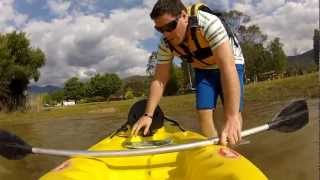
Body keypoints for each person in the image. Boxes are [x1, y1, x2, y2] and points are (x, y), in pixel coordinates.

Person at [131, 0, 245, 146]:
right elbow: (159, 79)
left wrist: (232, 116)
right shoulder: (165, 44)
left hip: (231, 63)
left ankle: (234, 147)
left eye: (170, 26)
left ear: (184, 16)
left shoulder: (208, 23)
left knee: (233, 113)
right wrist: (148, 115)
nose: (166, 34)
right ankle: (216, 149)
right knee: (203, 114)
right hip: (204, 70)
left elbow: (227, 67)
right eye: (160, 30)